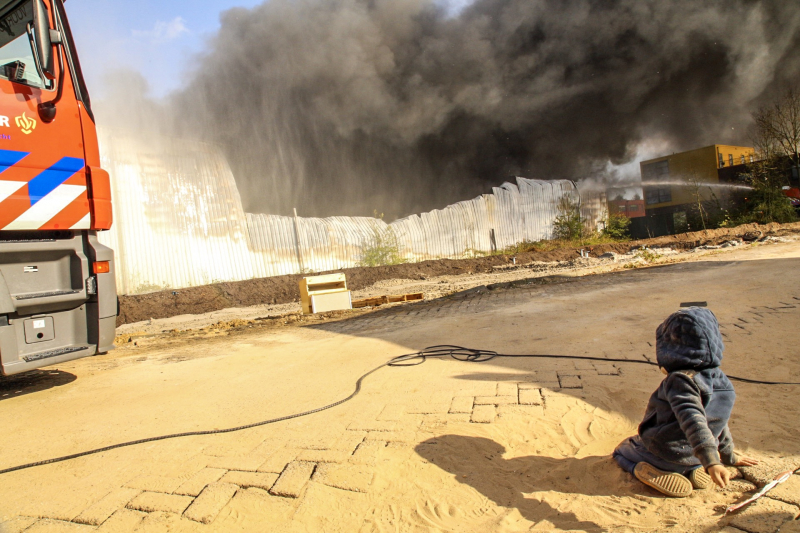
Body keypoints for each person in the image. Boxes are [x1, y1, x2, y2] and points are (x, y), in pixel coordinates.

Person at [613, 307, 758, 497]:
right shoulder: (722, 381)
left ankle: (649, 469)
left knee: (622, 449)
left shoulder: (680, 380)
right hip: (698, 456)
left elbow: (692, 418)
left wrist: (712, 462)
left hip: (667, 453)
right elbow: (720, 423)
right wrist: (725, 456)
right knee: (701, 437)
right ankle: (694, 468)